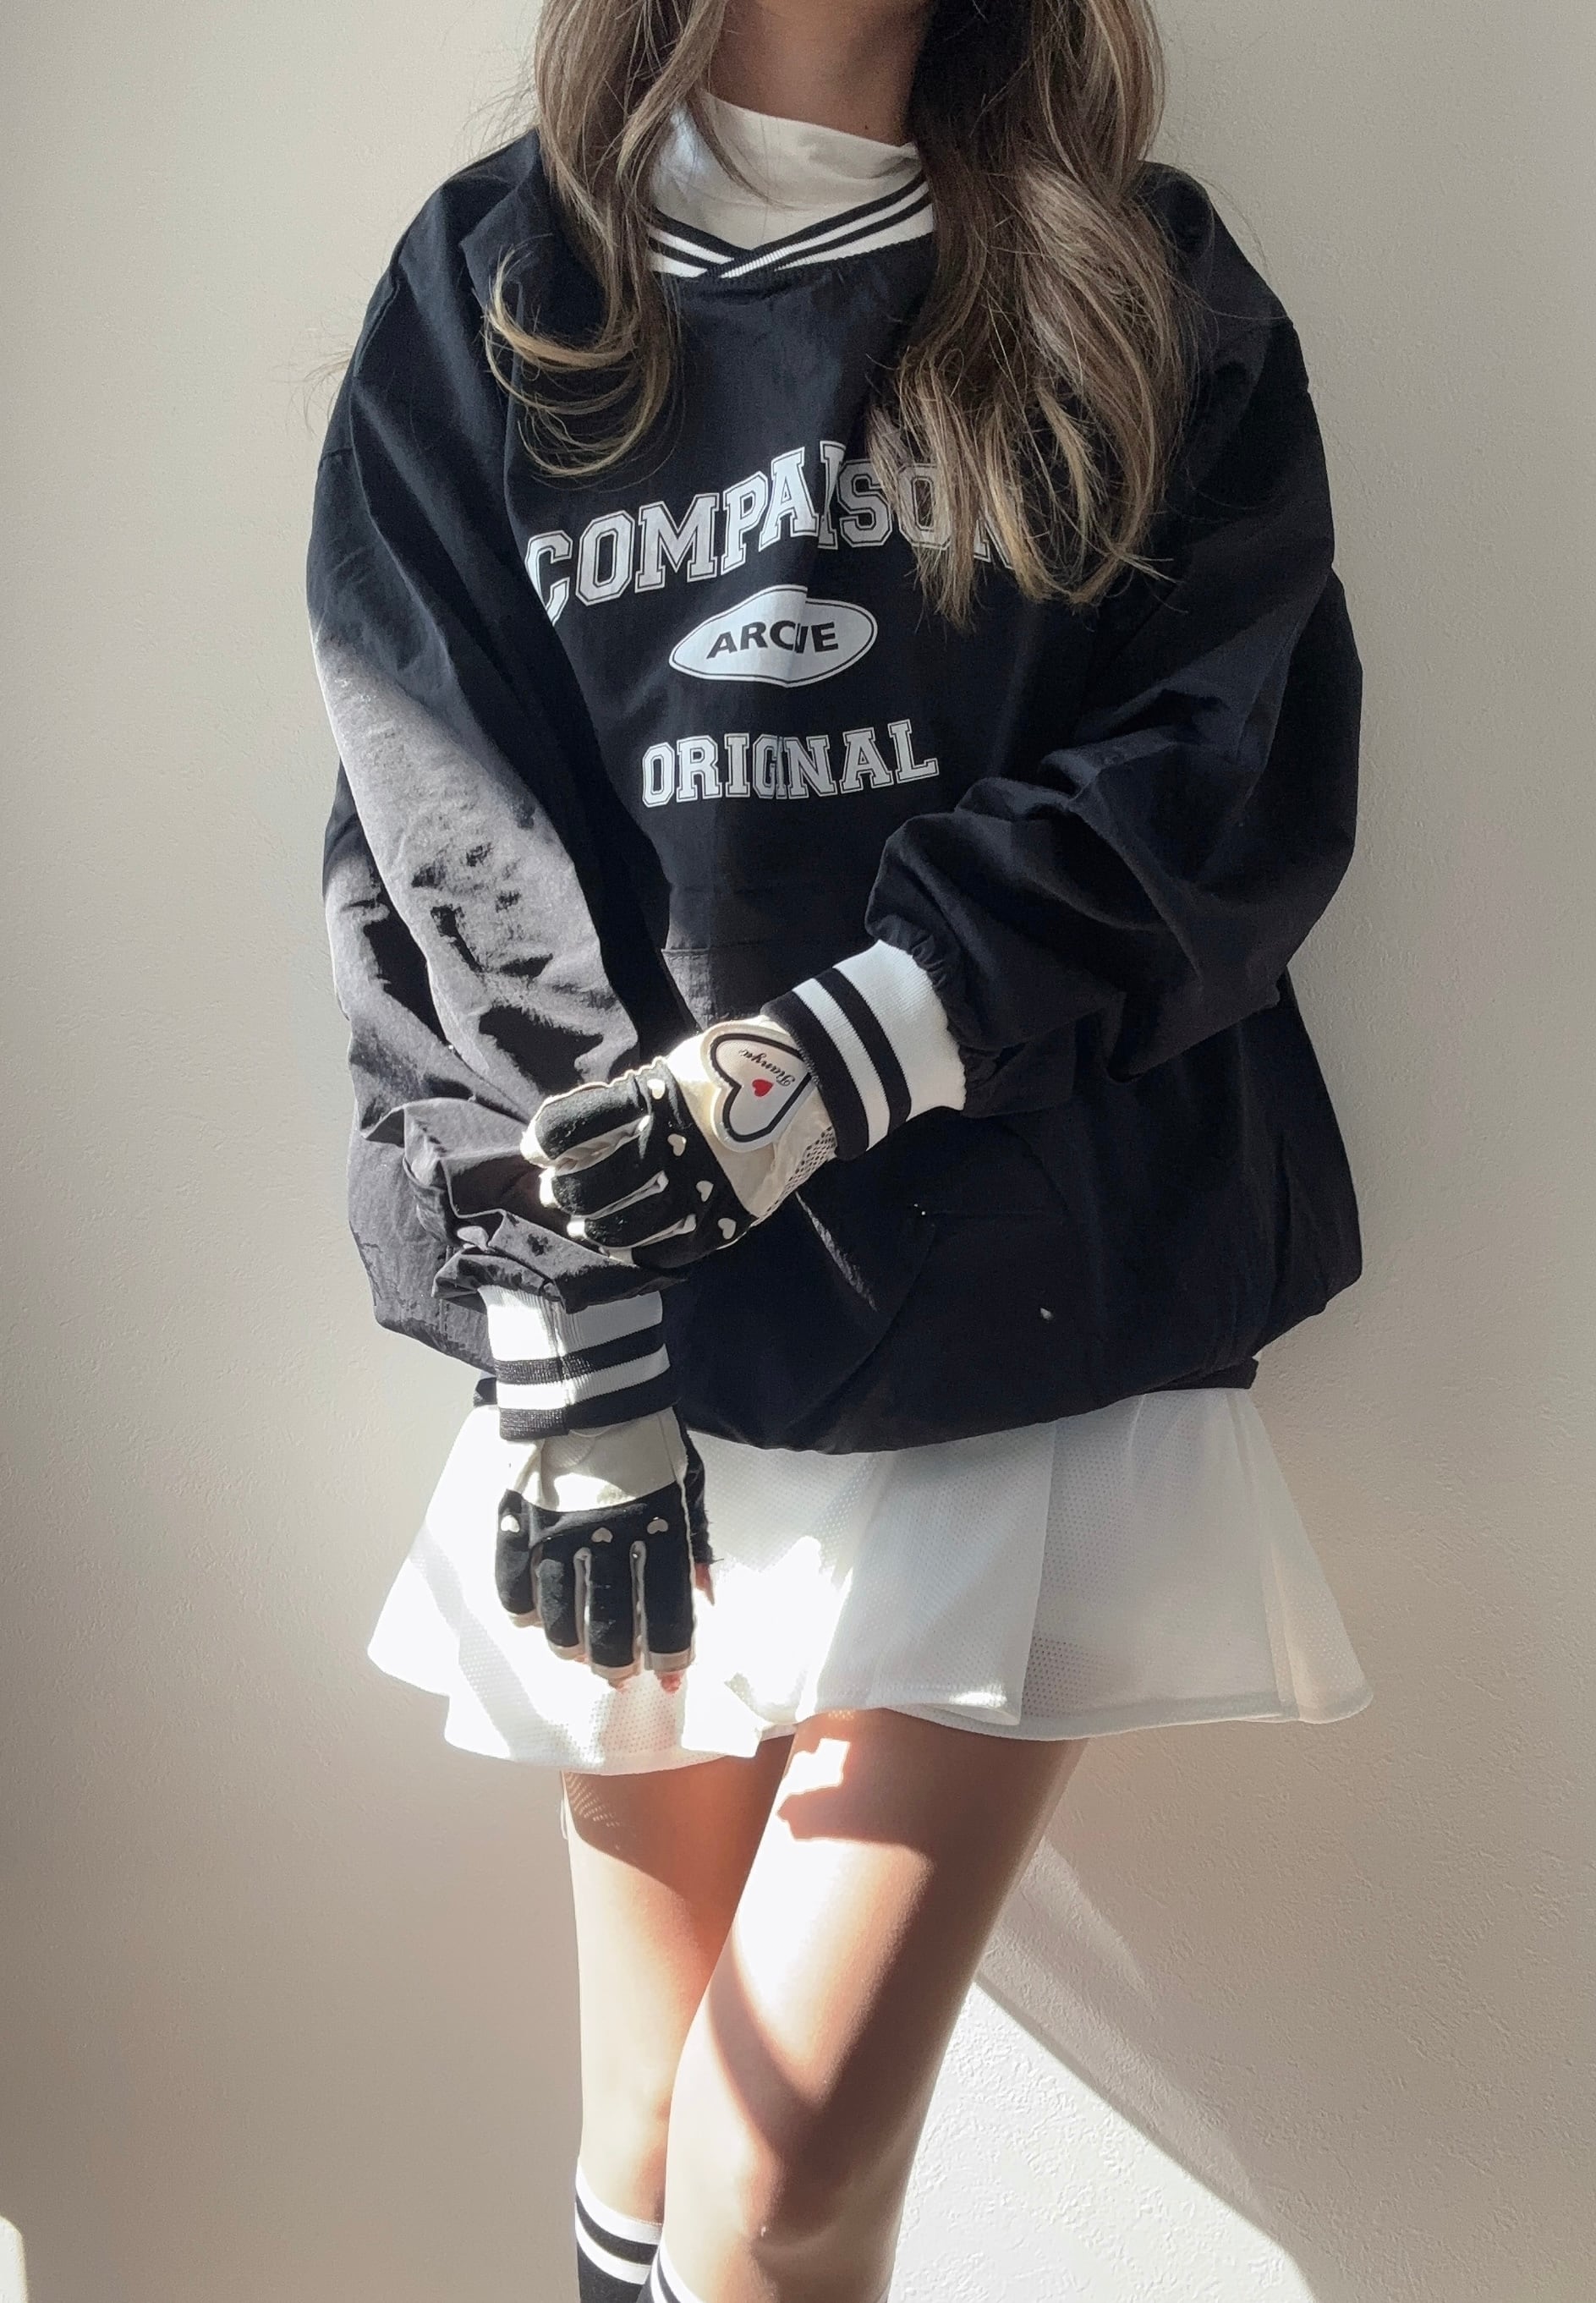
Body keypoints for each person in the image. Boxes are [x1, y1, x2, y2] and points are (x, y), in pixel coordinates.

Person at [308, 0, 1372, 2295]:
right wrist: (568, 1340)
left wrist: (835, 1055)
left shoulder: (1136, 282)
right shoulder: (503, 287)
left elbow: (1231, 771)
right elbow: (434, 840)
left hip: (1027, 1310)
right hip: (649, 1358)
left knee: (776, 2180)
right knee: (646, 2119)